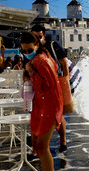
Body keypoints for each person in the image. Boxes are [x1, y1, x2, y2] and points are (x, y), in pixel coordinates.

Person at [20, 32, 63, 171]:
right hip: (44, 106)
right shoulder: (41, 58)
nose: (27, 52)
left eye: (30, 49)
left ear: (37, 45)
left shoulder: (40, 61)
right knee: (39, 144)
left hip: (49, 106)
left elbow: (49, 85)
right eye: (24, 50)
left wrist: (31, 73)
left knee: (41, 146)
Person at [30, 24, 70, 152]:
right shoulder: (31, 49)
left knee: (58, 114)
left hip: (55, 83)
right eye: (34, 36)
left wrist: (66, 80)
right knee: (37, 113)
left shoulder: (53, 45)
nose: (37, 38)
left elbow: (63, 63)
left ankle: (63, 141)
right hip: (37, 85)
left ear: (44, 35)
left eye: (39, 36)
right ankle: (35, 148)